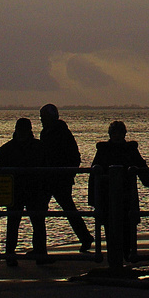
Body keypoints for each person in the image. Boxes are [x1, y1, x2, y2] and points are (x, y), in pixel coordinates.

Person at [90, 120, 149, 264]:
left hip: (126, 196)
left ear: (124, 134)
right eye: (114, 133)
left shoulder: (130, 149)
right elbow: (94, 175)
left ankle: (127, 253)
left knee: (128, 226)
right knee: (109, 227)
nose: (117, 136)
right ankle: (115, 256)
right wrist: (94, 199)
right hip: (108, 197)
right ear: (110, 135)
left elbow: (141, 165)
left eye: (120, 133)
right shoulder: (103, 151)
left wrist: (146, 179)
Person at [0, 117, 51, 267]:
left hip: (32, 190)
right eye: (21, 130)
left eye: (24, 130)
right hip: (19, 191)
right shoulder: (38, 147)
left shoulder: (11, 148)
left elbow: (48, 170)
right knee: (16, 223)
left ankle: (38, 254)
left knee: (35, 223)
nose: (22, 133)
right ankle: (13, 254)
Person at [39, 104, 96, 255]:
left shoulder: (62, 133)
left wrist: (68, 174)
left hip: (60, 178)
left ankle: (84, 237)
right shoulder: (45, 133)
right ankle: (41, 247)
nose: (41, 120)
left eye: (43, 117)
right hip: (47, 178)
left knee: (66, 209)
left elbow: (74, 157)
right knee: (43, 211)